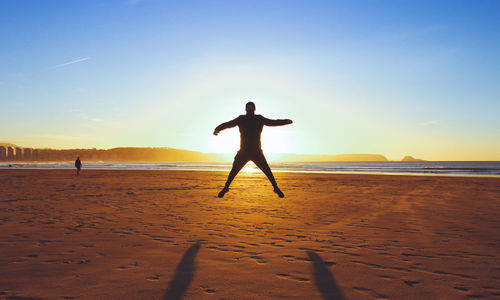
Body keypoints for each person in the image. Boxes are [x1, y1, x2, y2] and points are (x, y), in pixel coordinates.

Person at [213, 101, 293, 198]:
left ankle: (275, 188)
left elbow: (272, 122)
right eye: (248, 106)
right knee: (234, 171)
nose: (250, 108)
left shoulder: (259, 118)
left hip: (257, 152)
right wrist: (218, 128)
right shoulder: (241, 119)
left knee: (267, 170)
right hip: (243, 151)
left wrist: (285, 121)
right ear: (245, 109)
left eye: (252, 106)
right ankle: (226, 188)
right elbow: (228, 124)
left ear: (255, 108)